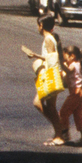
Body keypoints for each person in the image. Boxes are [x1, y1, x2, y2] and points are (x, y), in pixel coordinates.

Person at [27, 11, 65, 140]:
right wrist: (36, 56)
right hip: (52, 72)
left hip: (51, 73)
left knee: (39, 103)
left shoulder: (48, 39)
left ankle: (60, 132)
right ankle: (59, 132)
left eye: (38, 25)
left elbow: (52, 60)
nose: (38, 27)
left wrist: (49, 77)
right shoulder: (50, 38)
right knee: (50, 107)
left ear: (41, 25)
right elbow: (50, 56)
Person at [56, 44, 82, 146]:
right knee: (78, 115)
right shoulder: (77, 63)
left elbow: (68, 70)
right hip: (79, 93)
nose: (65, 59)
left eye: (66, 57)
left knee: (63, 113)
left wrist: (61, 64)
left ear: (72, 56)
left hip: (76, 93)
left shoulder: (73, 65)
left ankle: (64, 133)